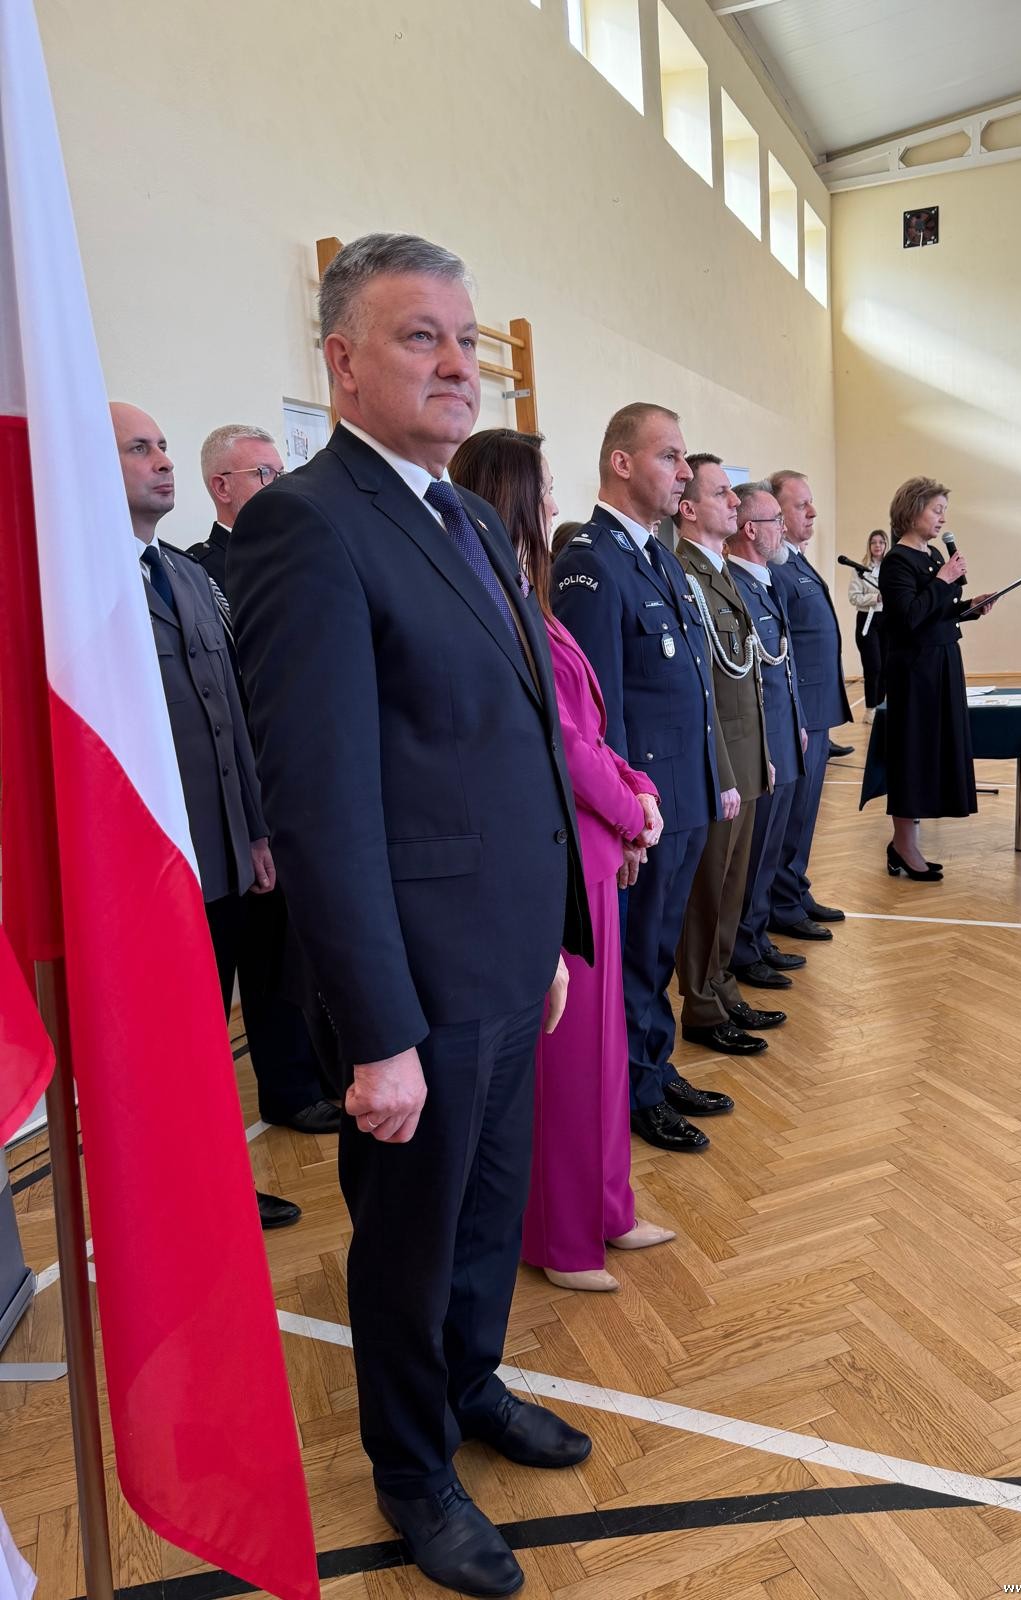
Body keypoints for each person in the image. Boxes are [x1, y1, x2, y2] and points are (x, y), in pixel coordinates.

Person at [225, 233, 593, 1600]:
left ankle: (471, 1381)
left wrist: (550, 937)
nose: (456, 364)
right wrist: (377, 1032)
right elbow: (322, 805)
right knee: (410, 1239)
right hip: (413, 989)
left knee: (487, 1215)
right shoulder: (307, 524)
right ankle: (412, 1467)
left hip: (505, 956)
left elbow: (515, 746)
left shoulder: (469, 520)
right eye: (418, 336)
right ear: (341, 361)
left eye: (465, 338)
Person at [450, 427, 675, 1293]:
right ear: (509, 495)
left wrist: (636, 791)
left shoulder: (528, 599)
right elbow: (561, 747)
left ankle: (609, 1208)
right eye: (541, 486)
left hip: (596, 848)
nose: (553, 501)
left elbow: (592, 728)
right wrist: (630, 810)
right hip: (560, 857)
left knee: (603, 1047)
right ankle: (564, 1236)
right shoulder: (496, 607)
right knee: (569, 1058)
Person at [109, 402, 300, 1232]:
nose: (162, 460)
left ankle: (213, 1183)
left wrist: (254, 830)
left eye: (162, 446)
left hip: (216, 852)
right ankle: (177, 1195)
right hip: (144, 860)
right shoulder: (83, 585)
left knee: (207, 1030)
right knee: (165, 1040)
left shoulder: (186, 579)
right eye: (138, 449)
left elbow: (230, 719)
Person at [551, 404, 731, 1156]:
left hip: (679, 798)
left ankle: (655, 1063)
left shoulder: (656, 556)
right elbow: (597, 714)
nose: (684, 472)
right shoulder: (591, 564)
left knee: (657, 951)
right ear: (621, 464)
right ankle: (635, 1090)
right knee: (634, 957)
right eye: (669, 457)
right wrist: (625, 819)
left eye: (685, 459)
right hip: (642, 808)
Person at [186, 424, 340, 1136]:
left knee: (298, 951)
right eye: (265, 474)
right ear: (222, 487)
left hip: (304, 782)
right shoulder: (198, 573)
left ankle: (306, 1076)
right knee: (247, 954)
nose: (283, 484)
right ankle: (265, 1097)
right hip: (241, 796)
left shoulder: (299, 558)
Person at [674, 457, 788, 1052]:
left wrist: (761, 752)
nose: (735, 504)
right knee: (707, 891)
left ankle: (722, 986)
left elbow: (746, 679)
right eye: (722, 494)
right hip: (718, 764)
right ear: (689, 508)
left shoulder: (719, 573)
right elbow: (704, 690)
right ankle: (700, 1004)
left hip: (745, 757)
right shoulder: (684, 573)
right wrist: (723, 768)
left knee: (731, 887)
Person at [878, 476, 992, 880]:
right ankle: (903, 845)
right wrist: (943, 580)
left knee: (935, 749)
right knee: (912, 752)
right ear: (913, 511)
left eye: (945, 511)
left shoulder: (932, 556)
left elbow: (937, 612)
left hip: (943, 661)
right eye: (936, 510)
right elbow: (909, 617)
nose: (943, 519)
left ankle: (905, 844)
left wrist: (971, 607)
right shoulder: (897, 561)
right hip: (915, 671)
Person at [725, 485, 809, 993]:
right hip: (761, 742)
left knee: (770, 849)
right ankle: (742, 947)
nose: (783, 527)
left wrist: (797, 719)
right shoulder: (734, 584)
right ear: (750, 529)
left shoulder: (764, 580)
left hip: (781, 731)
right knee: (752, 855)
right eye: (775, 519)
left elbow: (782, 663)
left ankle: (756, 937)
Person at [767, 470, 851, 942]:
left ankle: (795, 889)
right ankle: (782, 902)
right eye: (801, 505)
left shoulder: (794, 561)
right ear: (777, 514)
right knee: (793, 815)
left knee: (805, 815)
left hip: (817, 708)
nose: (813, 512)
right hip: (801, 712)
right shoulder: (777, 569)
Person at [849, 529, 889, 722]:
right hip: (867, 620)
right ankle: (870, 709)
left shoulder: (892, 568)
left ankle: (881, 707)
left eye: (881, 542)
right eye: (874, 542)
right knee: (874, 666)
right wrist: (876, 598)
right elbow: (853, 597)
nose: (877, 546)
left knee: (886, 667)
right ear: (869, 545)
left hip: (888, 620)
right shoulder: (860, 569)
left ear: (886, 545)